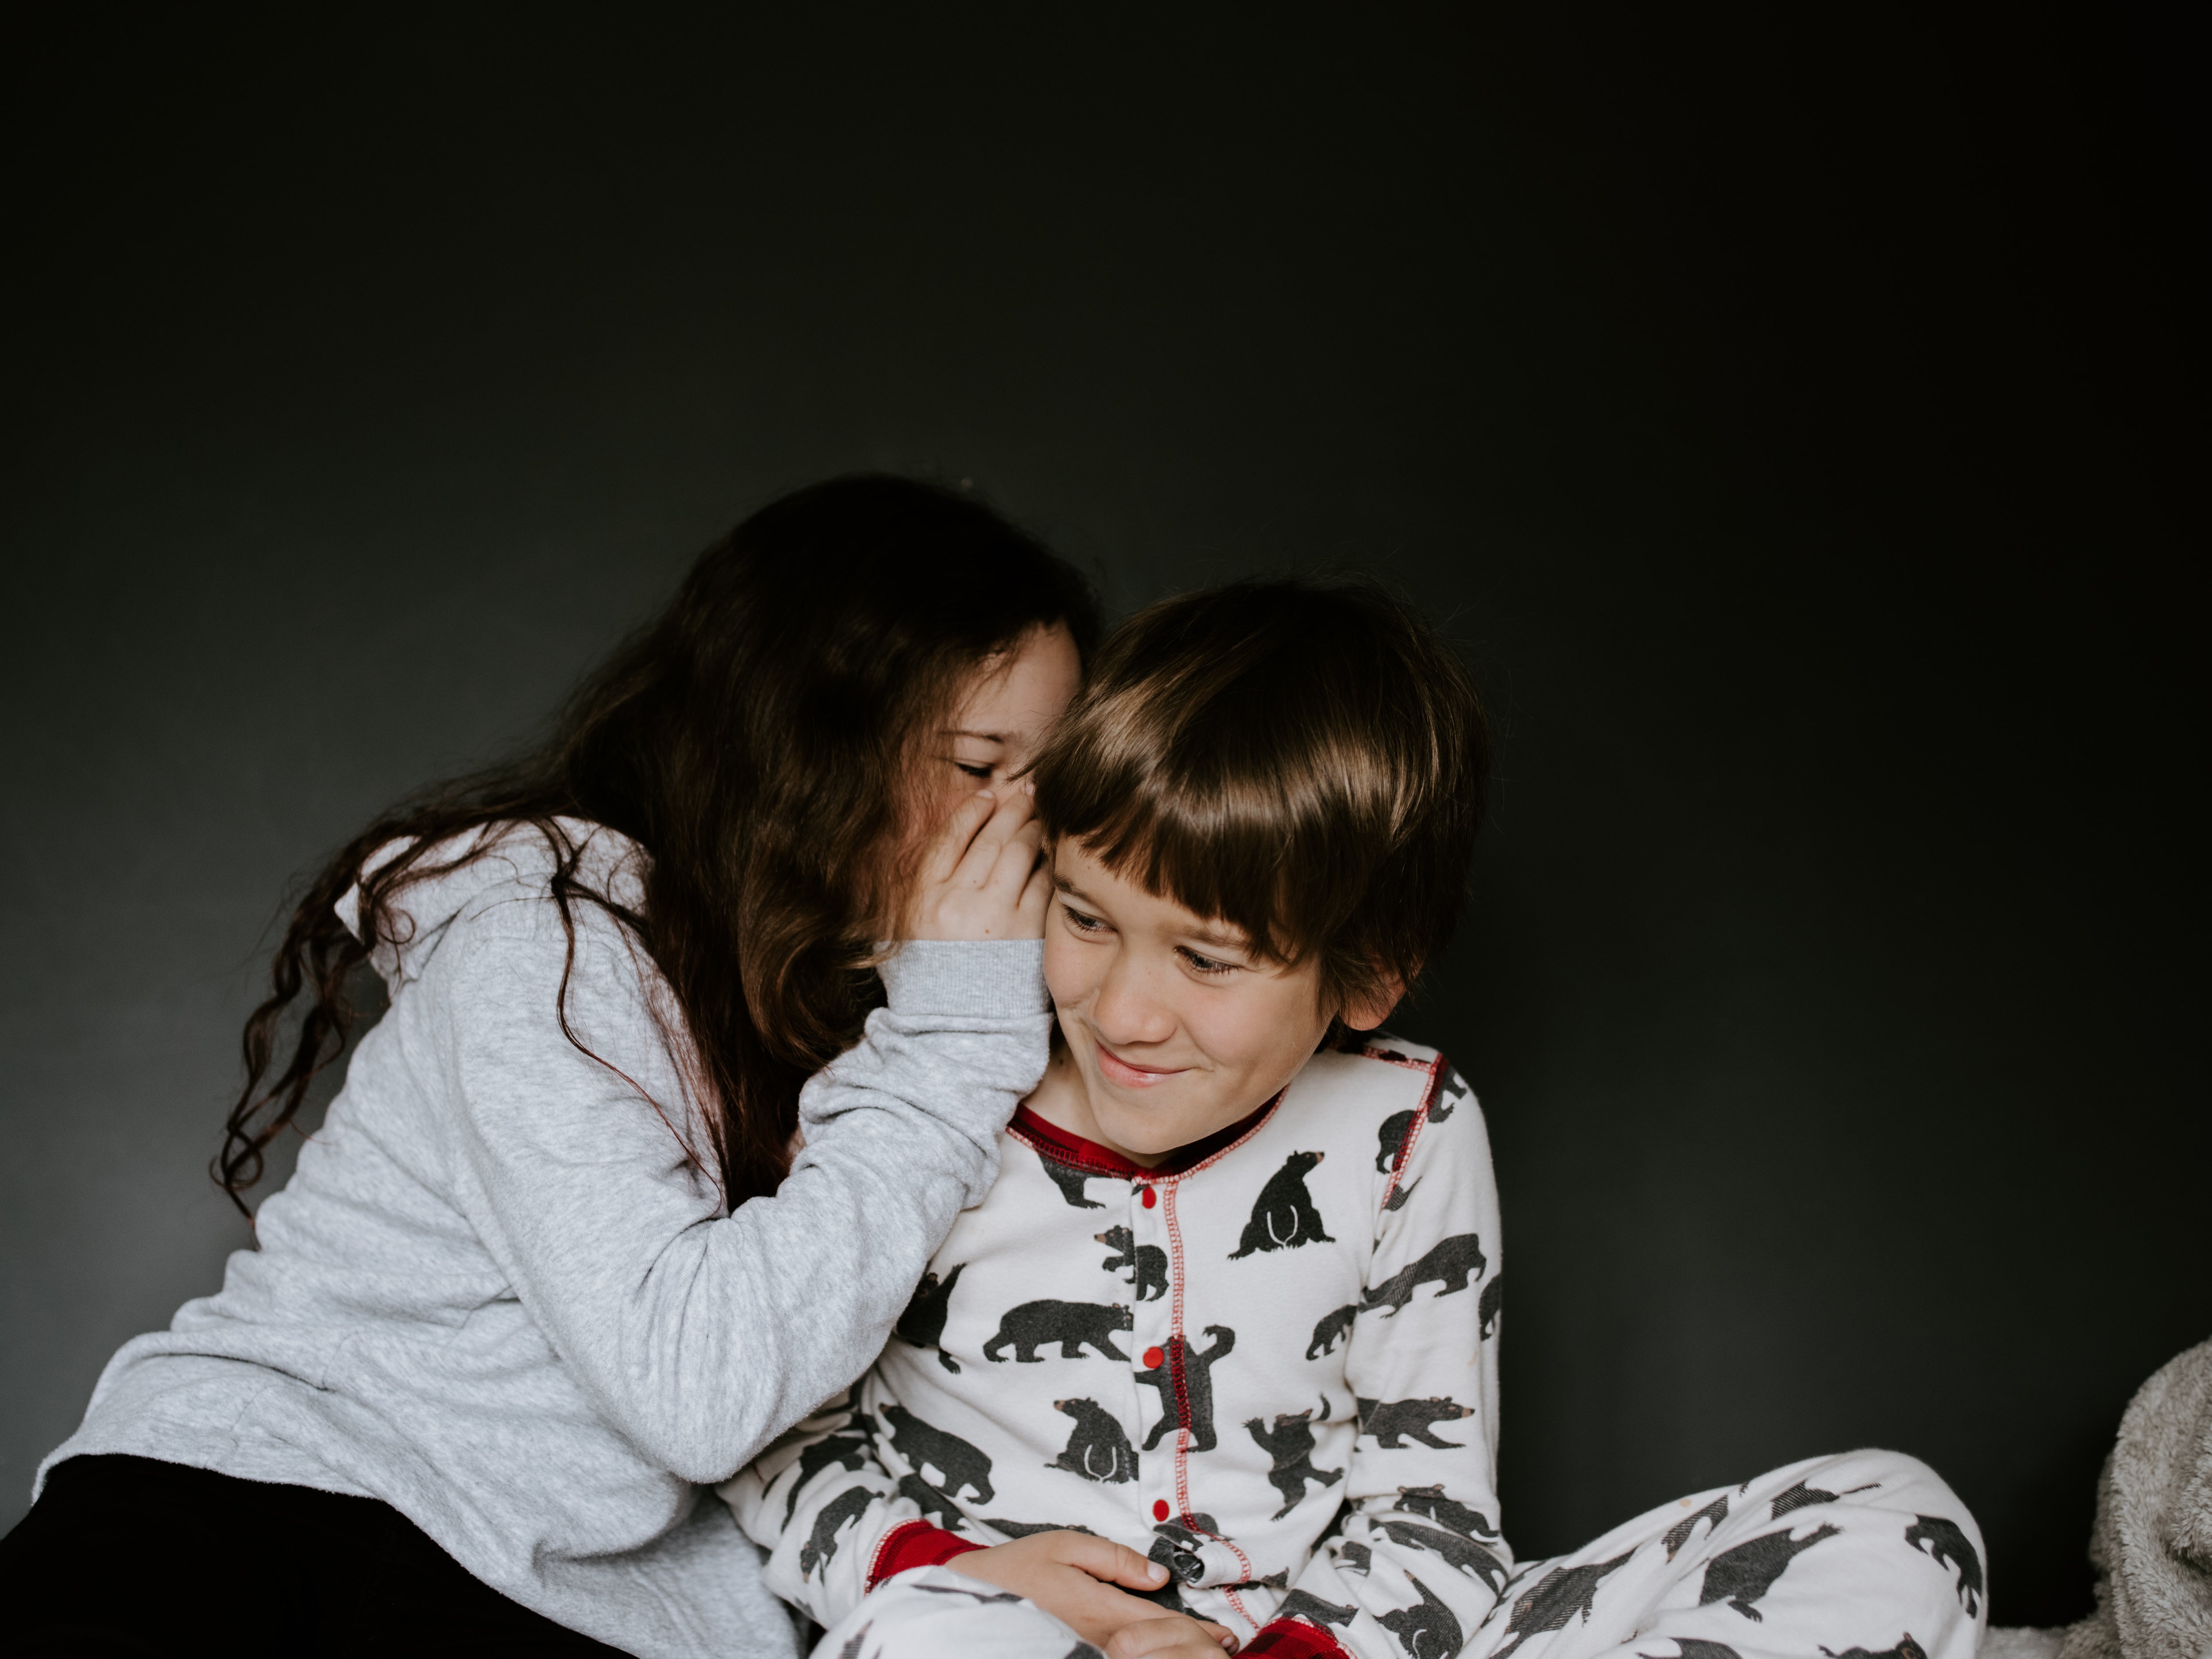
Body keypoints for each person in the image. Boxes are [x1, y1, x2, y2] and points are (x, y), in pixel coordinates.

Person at [725, 579, 1991, 1659]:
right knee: (925, 1639)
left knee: (1900, 1519)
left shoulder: (1410, 1128)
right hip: (1008, 1628)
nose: (1124, 1009)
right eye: (1087, 916)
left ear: (1368, 975)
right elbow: (773, 1442)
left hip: (1312, 1643)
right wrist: (975, 1579)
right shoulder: (920, 1095)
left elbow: (1432, 1520)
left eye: (1209, 961)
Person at [0, 475, 1097, 1659]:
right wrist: (956, 1038)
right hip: (280, 1516)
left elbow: (865, 1396)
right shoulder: (545, 937)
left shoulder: (903, 1011)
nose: (1021, 828)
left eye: (1053, 782)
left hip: (573, 1599)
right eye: (979, 767)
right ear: (806, 748)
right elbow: (699, 1389)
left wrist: (931, 1565)